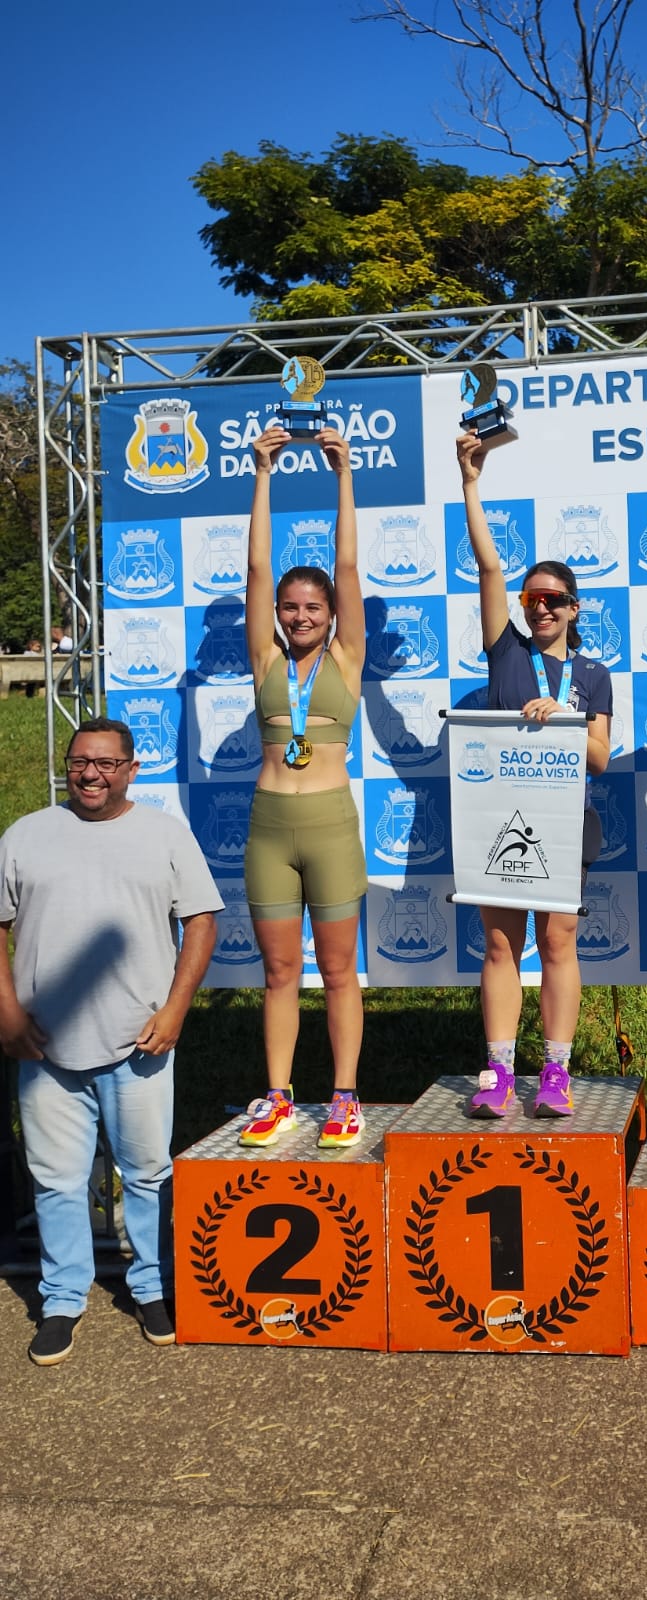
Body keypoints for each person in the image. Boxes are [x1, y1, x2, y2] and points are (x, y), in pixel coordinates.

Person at [0, 718, 221, 1365]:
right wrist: (7, 1014)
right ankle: (62, 1299)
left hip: (140, 1043)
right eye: (79, 762)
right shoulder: (25, 835)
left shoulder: (164, 835)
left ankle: (153, 1288)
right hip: (44, 1048)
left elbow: (202, 922)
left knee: (148, 1174)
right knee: (55, 1181)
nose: (90, 774)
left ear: (130, 769)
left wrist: (176, 1010)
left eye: (105, 763)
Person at [457, 430, 613, 1117]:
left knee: (556, 942)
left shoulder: (594, 674)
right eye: (532, 599)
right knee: (500, 943)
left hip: (564, 820)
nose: (541, 606)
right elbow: (489, 568)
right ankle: (497, 1071)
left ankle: (555, 1071)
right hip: (500, 814)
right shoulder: (506, 653)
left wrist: (567, 721)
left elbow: (602, 757)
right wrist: (471, 482)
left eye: (554, 599)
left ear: (574, 608)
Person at [238, 425, 368, 1150]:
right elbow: (257, 569)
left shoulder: (347, 657)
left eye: (313, 607)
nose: (300, 615)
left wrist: (343, 473)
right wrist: (263, 472)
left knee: (340, 971)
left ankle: (345, 1097)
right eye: (291, 608)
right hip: (269, 829)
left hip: (329, 827)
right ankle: (279, 1095)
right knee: (280, 970)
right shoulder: (266, 657)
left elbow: (346, 564)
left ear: (331, 613)